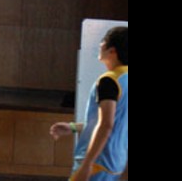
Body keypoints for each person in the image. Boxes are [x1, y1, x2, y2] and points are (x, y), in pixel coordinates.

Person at [50, 27, 128, 181]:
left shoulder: (109, 81)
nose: (100, 45)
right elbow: (116, 123)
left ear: (112, 50)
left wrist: (88, 164)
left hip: (98, 162)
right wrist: (73, 127)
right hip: (116, 163)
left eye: (103, 41)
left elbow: (106, 124)